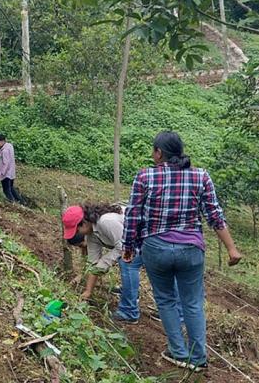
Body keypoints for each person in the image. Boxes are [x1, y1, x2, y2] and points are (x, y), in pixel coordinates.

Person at [122, 131, 242, 372]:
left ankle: (178, 351)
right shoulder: (200, 176)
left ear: (159, 153)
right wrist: (232, 249)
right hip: (191, 250)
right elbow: (214, 215)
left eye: (153, 150)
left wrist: (128, 247)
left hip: (156, 248)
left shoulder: (145, 176)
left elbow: (133, 214)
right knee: (193, 303)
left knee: (166, 299)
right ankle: (198, 357)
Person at [62, 203, 182, 324]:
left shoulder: (106, 222)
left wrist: (104, 263)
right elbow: (93, 264)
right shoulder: (92, 234)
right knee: (140, 266)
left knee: (129, 262)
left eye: (77, 230)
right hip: (139, 241)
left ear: (84, 222)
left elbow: (123, 247)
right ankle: (171, 310)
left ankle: (130, 311)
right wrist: (87, 291)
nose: (78, 234)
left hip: (153, 236)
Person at [0, 134, 24, 204]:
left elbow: (5, 164)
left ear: (3, 141)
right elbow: (1, 150)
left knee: (6, 190)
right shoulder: (9, 146)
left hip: (5, 174)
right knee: (11, 188)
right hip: (11, 172)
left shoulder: (4, 151)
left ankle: (12, 203)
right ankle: (21, 202)